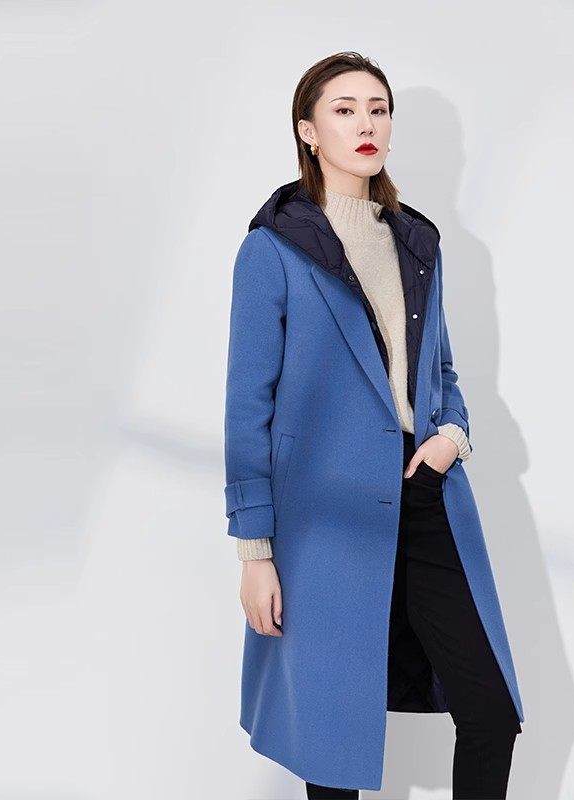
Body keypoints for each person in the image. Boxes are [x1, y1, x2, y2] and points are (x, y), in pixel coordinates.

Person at [224, 52, 524, 799]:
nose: (366, 124)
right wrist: (255, 551)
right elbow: (247, 407)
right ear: (308, 130)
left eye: (379, 109)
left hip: (425, 494)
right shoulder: (273, 249)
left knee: (490, 711)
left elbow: (443, 372)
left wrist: (452, 437)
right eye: (345, 109)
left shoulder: (418, 242)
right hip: (324, 515)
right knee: (331, 738)